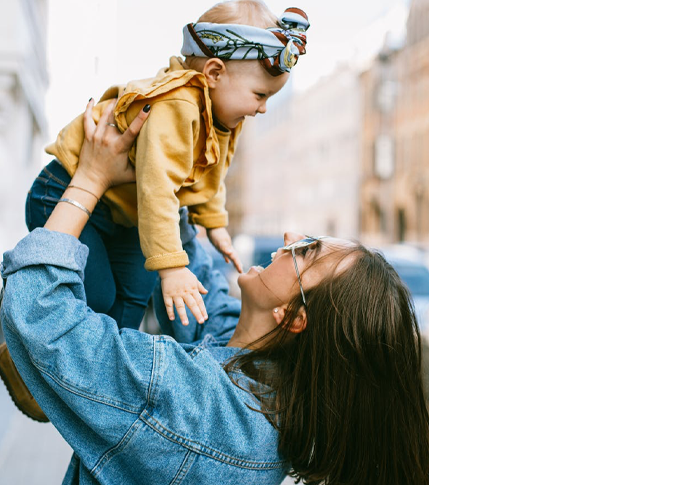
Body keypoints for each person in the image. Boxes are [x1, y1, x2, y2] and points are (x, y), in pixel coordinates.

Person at [0, 104, 429, 482]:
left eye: (307, 251)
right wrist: (168, 163)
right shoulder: (260, 373)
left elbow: (40, 312)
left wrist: (91, 178)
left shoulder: (198, 405)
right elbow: (199, 288)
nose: (290, 234)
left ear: (295, 316)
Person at [26, 0, 310, 331]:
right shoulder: (177, 105)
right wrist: (172, 268)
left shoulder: (220, 117)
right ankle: (33, 347)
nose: (262, 109)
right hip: (63, 192)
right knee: (100, 296)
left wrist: (214, 224)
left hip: (125, 215)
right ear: (214, 73)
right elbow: (158, 189)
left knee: (135, 291)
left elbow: (212, 172)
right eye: (260, 95)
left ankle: (108, 365)